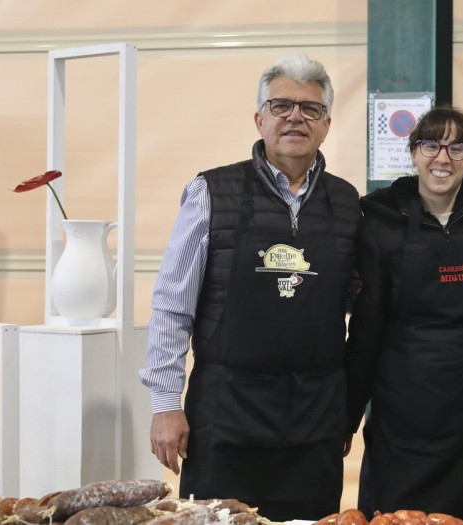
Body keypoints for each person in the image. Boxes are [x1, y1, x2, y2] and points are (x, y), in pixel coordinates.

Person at [138, 54, 359, 520]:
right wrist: (164, 405)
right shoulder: (210, 193)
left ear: (327, 125)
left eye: (310, 108)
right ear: (259, 119)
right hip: (225, 416)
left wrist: (349, 410)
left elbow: (362, 311)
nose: (295, 116)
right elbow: (172, 305)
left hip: (314, 421)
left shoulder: (348, 203)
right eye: (281, 105)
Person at [344, 107, 463, 522]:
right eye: (431, 145)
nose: (443, 158)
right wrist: (348, 415)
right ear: (413, 152)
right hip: (407, 412)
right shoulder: (380, 218)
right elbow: (367, 325)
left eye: (457, 148)